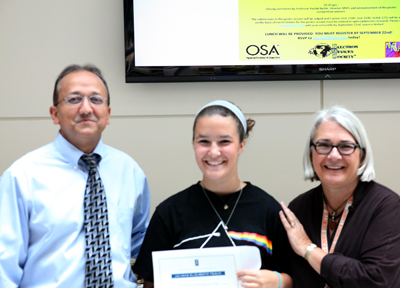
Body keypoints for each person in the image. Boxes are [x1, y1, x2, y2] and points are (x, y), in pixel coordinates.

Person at [0, 64, 151, 287]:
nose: (86, 108)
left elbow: (142, 241)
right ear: (54, 114)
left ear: (108, 114)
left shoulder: (129, 171)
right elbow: (5, 264)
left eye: (96, 100)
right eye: (74, 99)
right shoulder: (22, 176)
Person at [133, 100, 292, 288]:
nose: (214, 152)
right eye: (204, 141)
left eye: (224, 141)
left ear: (241, 145)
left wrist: (279, 281)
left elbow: (296, 278)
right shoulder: (169, 213)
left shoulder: (269, 211)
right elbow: (150, 283)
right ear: (193, 144)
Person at [279, 106, 400, 288]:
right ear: (311, 153)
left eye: (345, 146)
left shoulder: (386, 207)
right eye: (324, 145)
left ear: (362, 155)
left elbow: (375, 281)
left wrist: (307, 248)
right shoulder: (299, 208)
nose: (333, 155)